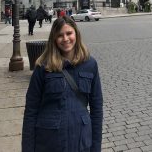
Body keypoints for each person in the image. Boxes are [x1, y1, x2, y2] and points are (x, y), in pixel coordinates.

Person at [22, 16, 103, 152]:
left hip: (81, 142)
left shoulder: (90, 64)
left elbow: (97, 110)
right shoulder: (43, 66)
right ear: (54, 39)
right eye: (60, 35)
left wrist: (95, 148)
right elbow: (31, 111)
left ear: (76, 34)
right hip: (49, 143)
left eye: (69, 33)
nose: (65, 39)